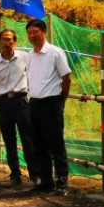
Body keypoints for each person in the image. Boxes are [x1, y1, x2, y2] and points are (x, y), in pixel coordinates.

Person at [25, 19, 72, 195]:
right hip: (34, 103)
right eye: (29, 33)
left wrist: (61, 100)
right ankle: (46, 181)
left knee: (56, 143)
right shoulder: (29, 55)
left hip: (52, 102)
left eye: (35, 32)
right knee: (38, 144)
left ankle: (62, 181)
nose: (32, 36)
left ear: (43, 32)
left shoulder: (55, 53)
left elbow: (66, 78)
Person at [0, 29, 39, 187]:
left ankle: (35, 175)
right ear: (0, 42)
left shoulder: (25, 57)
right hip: (4, 103)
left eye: (10, 39)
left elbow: (33, 76)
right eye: (4, 39)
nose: (7, 42)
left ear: (14, 41)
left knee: (28, 139)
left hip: (21, 101)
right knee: (9, 140)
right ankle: (15, 175)